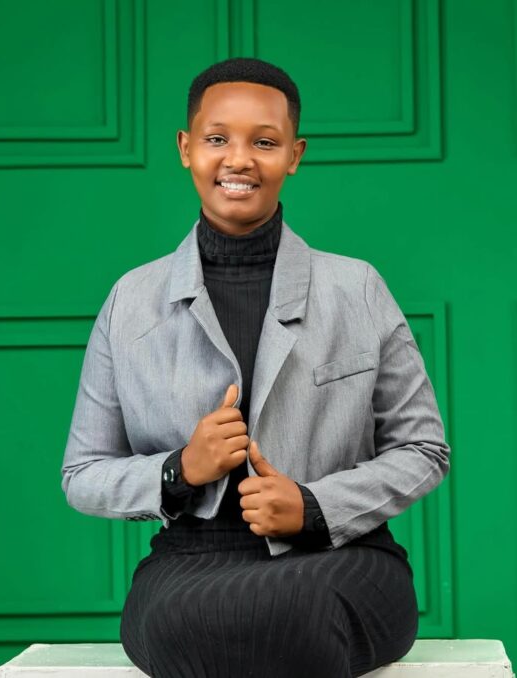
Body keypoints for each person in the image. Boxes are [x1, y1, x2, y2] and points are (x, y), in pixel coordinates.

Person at [61, 57, 451, 678]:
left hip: (343, 554)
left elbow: (423, 449)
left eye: (264, 142)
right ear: (186, 148)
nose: (239, 159)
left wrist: (314, 505)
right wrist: (179, 469)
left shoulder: (357, 288)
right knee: (185, 622)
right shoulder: (130, 301)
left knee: (294, 613)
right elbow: (83, 474)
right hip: (189, 562)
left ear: (294, 155)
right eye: (217, 139)